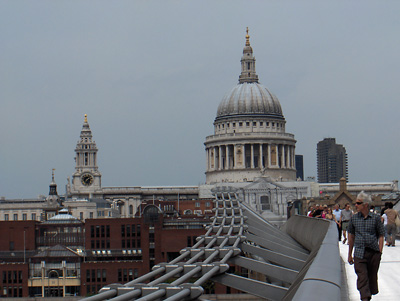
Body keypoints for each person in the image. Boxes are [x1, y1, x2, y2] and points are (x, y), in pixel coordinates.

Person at [348, 191, 385, 301]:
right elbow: (351, 237)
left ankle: (368, 294)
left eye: (358, 203)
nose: (356, 205)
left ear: (365, 205)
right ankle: (365, 298)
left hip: (373, 253)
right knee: (362, 277)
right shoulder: (354, 219)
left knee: (372, 277)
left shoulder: (376, 218)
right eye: (356, 203)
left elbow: (381, 235)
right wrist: (350, 254)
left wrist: (380, 251)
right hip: (359, 253)